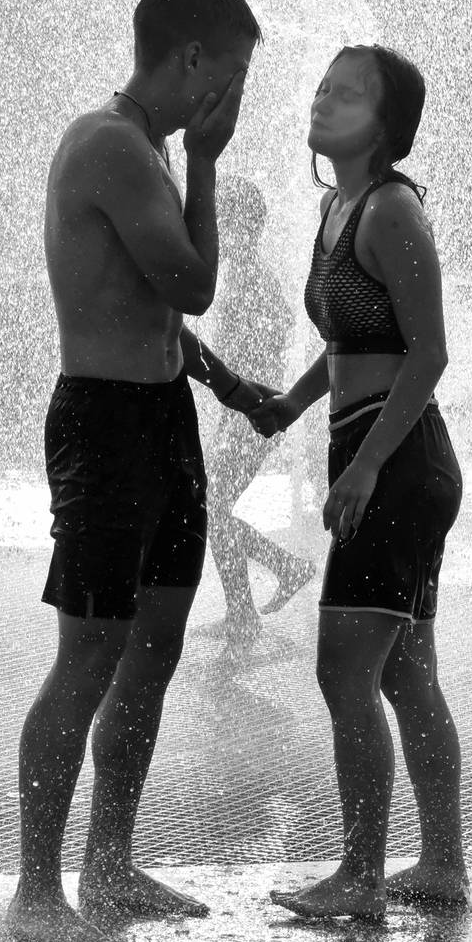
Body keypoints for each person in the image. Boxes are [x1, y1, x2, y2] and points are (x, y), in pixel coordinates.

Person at [6, 0, 273, 942]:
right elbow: (193, 283)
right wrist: (206, 163)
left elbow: (158, 313)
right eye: (234, 73)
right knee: (88, 658)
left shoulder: (146, 148)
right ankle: (38, 890)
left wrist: (228, 384)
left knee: (154, 652)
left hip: (163, 417)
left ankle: (110, 863)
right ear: (193, 58)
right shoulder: (111, 145)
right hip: (105, 425)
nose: (236, 97)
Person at [250, 45, 467, 919]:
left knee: (344, 672)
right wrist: (291, 404)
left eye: (347, 95)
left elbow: (429, 352)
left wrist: (368, 465)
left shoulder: (391, 211)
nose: (323, 100)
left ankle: (361, 877)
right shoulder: (336, 207)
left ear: (385, 124)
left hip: (399, 462)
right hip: (381, 453)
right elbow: (349, 341)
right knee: (406, 677)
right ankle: (441, 865)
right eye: (323, 88)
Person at [202, 175, 316, 646]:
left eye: (221, 223)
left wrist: (245, 405)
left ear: (243, 227)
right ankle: (254, 599)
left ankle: (263, 592)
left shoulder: (253, 281)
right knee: (210, 506)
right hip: (245, 413)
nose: (215, 233)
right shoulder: (244, 277)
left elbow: (265, 348)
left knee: (209, 507)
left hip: (253, 414)